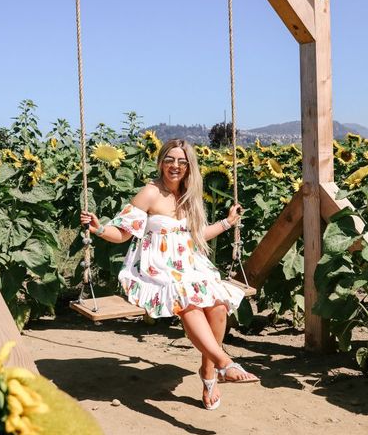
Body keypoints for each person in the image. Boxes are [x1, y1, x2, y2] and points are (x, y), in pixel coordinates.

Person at [81, 138, 258, 411]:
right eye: (169, 159)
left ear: (189, 167)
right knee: (187, 300)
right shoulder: (150, 193)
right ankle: (224, 363)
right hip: (157, 268)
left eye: (181, 161)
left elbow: (196, 235)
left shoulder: (189, 196)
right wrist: (99, 228)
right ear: (161, 162)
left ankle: (208, 372)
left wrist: (227, 223)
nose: (175, 166)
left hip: (189, 264)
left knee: (219, 305)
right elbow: (123, 233)